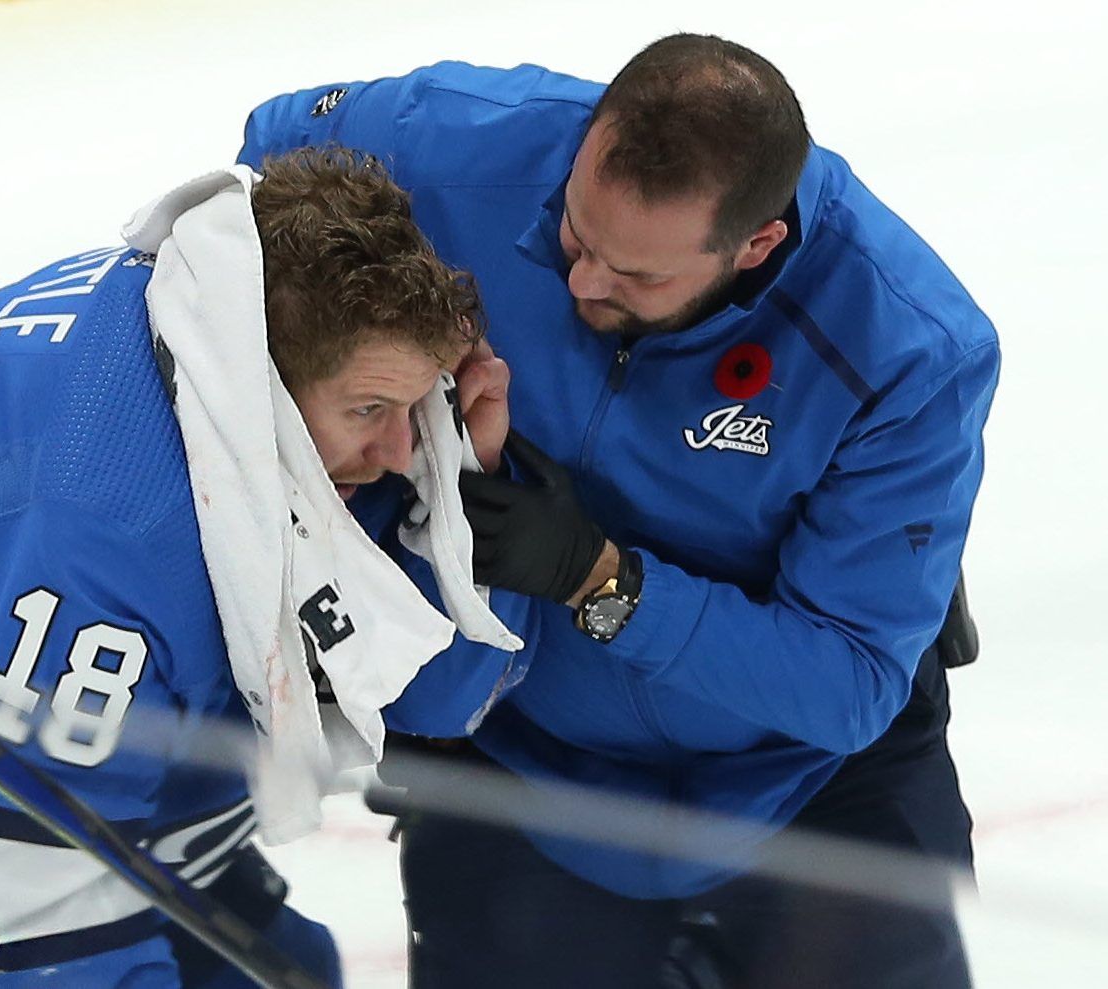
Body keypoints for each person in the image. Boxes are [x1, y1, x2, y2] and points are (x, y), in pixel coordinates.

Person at [241, 34, 1000, 989]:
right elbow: (260, 179)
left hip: (805, 782)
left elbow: (845, 684)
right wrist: (354, 426)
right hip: (522, 757)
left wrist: (603, 581)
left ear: (755, 245)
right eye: (574, 230)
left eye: (636, 275)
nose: (582, 283)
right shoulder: (454, 142)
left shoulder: (907, 347)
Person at [0, 146, 518, 988]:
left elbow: (438, 695)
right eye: (369, 411)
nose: (399, 451)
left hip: (111, 804)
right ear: (264, 393)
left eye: (410, 408)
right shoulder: (102, 541)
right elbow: (10, 943)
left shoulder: (218, 300)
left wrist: (470, 494)